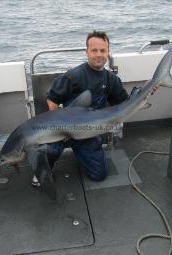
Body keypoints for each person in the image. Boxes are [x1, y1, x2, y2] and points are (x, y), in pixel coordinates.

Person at [33, 30, 129, 187]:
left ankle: (82, 154)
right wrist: (60, 126)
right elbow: (52, 99)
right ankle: (43, 169)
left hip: (88, 133)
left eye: (103, 50)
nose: (98, 54)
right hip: (64, 130)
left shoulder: (111, 80)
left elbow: (124, 103)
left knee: (100, 175)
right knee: (48, 150)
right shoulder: (73, 76)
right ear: (87, 52)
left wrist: (146, 90)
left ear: (108, 52)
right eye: (94, 50)